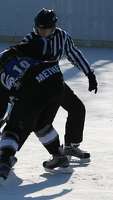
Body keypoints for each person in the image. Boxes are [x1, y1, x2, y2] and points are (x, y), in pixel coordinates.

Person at [0, 38, 73, 185]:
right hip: (55, 79)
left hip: (33, 88)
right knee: (40, 123)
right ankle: (60, 157)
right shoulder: (10, 52)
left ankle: (3, 165)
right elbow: (36, 46)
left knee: (12, 129)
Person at [21, 8, 98, 163]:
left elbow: (74, 54)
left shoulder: (62, 37)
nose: (41, 32)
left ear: (53, 28)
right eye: (38, 28)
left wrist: (89, 74)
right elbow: (18, 65)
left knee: (77, 108)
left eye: (45, 29)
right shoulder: (29, 40)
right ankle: (7, 154)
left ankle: (70, 146)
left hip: (54, 84)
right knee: (34, 122)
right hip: (35, 88)